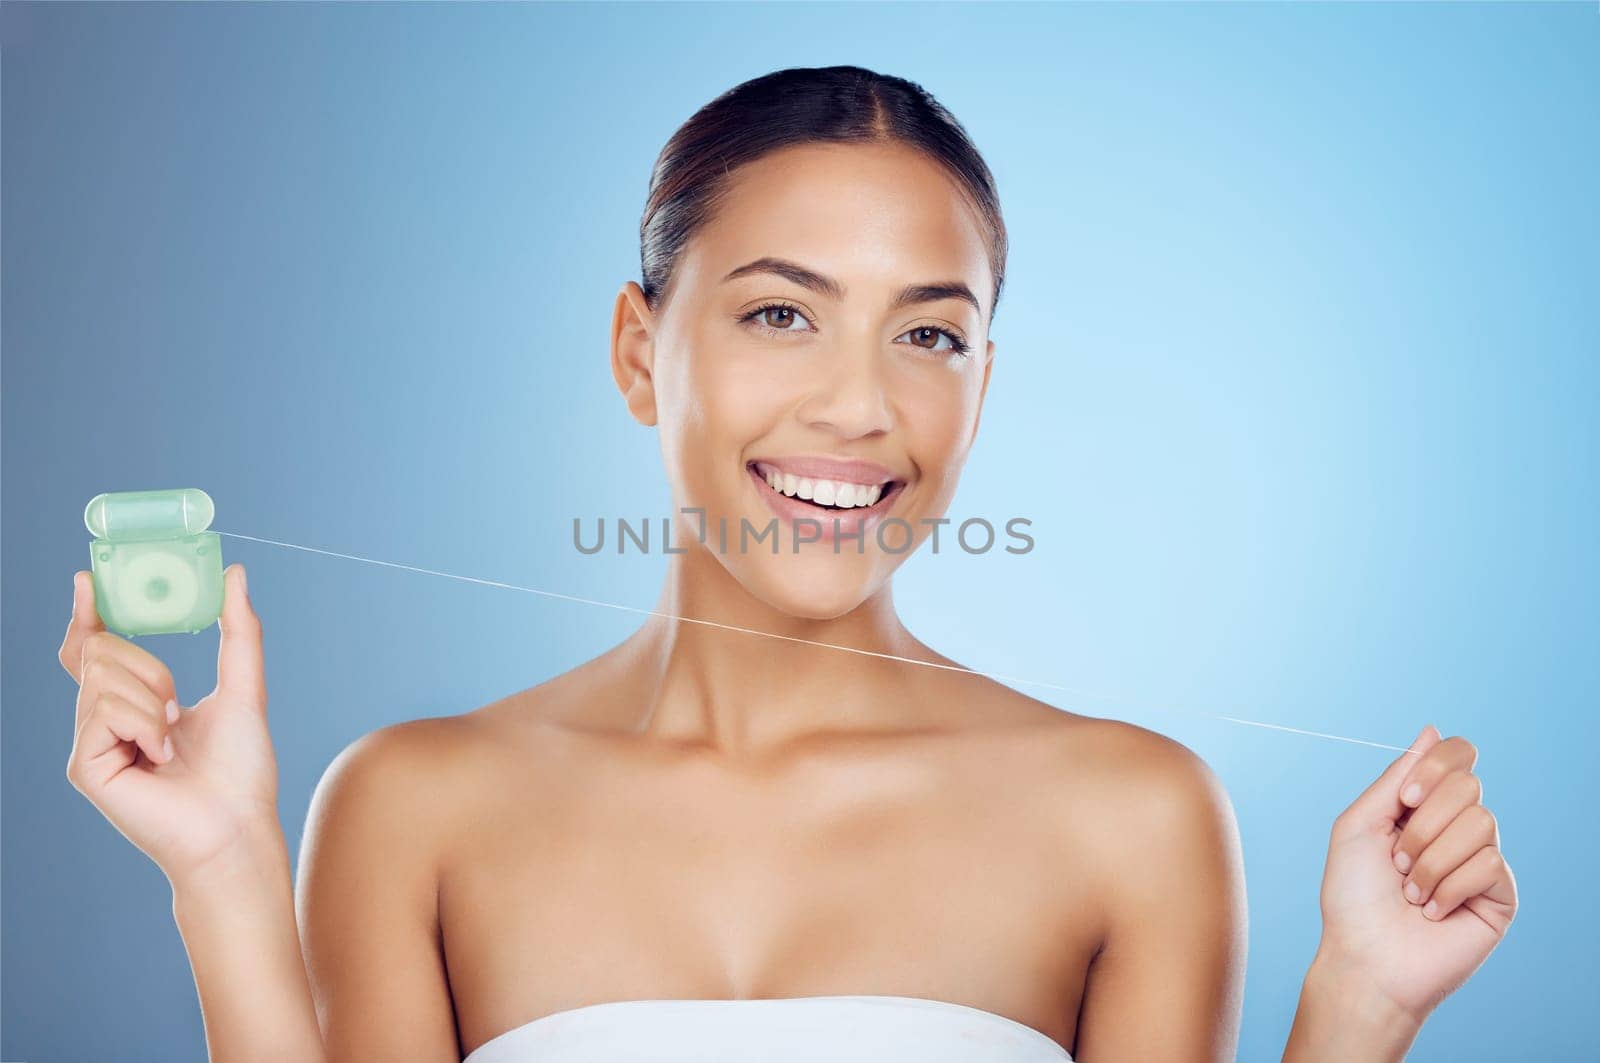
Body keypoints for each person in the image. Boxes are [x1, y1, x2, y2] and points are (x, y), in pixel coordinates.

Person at [59, 65, 1516, 1062]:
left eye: (930, 333)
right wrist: (224, 872)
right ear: (640, 351)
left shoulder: (1134, 816)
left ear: (985, 383)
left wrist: (1356, 1010)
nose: (860, 406)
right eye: (780, 314)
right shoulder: (409, 806)